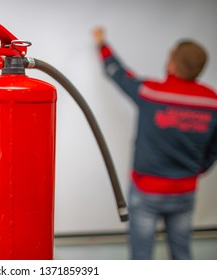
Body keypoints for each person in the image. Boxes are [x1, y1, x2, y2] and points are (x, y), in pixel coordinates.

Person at [92, 27, 217, 259]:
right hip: (185, 192)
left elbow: (118, 74)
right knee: (181, 254)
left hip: (146, 192)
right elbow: (214, 148)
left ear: (172, 66)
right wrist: (198, 169)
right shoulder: (211, 101)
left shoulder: (152, 93)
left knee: (142, 258)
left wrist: (102, 44)